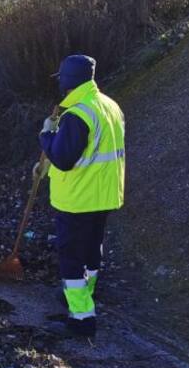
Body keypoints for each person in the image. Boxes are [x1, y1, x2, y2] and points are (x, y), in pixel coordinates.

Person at [38, 54, 126, 339]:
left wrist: (46, 135)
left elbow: (63, 159)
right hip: (104, 194)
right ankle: (84, 298)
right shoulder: (109, 106)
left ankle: (81, 318)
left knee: (72, 257)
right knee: (91, 252)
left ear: (67, 80)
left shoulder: (77, 114)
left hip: (78, 198)